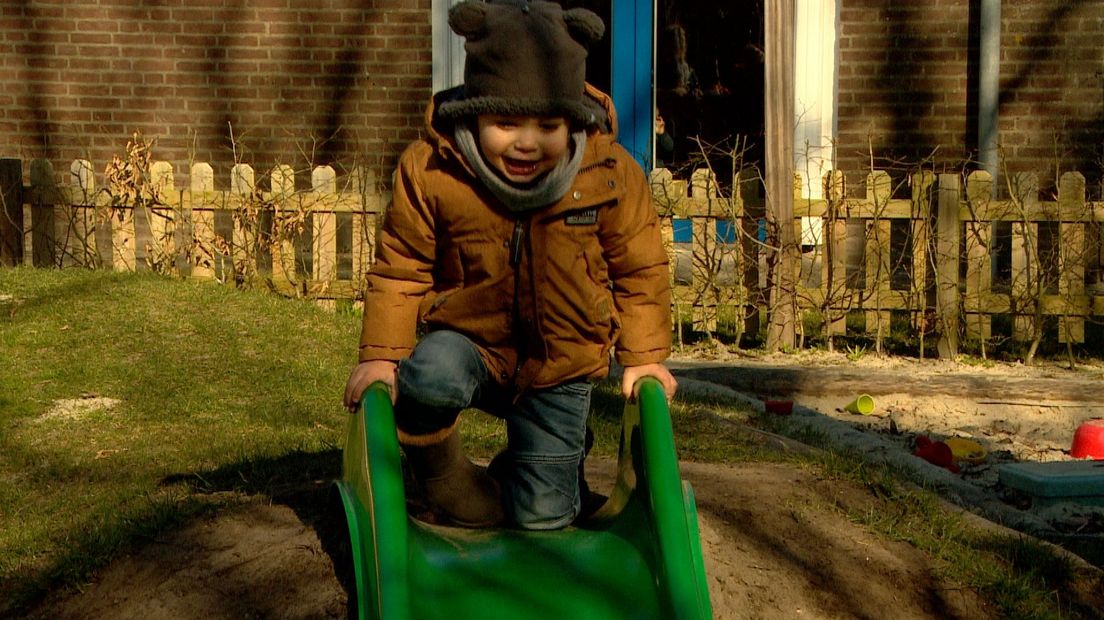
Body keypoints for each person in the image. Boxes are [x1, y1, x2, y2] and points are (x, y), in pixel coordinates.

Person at [342, 0, 677, 531]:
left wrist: (643, 356)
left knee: (540, 519)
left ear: (572, 121)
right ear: (475, 112)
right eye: (505, 122)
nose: (527, 141)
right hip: (470, 341)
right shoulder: (434, 170)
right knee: (426, 376)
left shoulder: (608, 173)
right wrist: (381, 356)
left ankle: (542, 478)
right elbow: (401, 267)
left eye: (548, 124)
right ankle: (443, 475)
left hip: (561, 362)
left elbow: (640, 271)